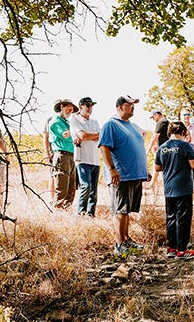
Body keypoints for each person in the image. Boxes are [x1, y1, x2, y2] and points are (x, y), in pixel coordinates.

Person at [99, 95, 150, 256]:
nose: (133, 107)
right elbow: (104, 147)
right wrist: (112, 168)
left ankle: (127, 239)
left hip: (135, 175)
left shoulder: (132, 126)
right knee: (120, 210)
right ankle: (119, 243)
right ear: (120, 107)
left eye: (134, 105)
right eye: (129, 105)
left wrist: (144, 169)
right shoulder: (111, 125)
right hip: (121, 176)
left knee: (127, 210)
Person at [154, 121, 194, 259]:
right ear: (184, 132)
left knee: (171, 218)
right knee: (183, 218)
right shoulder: (185, 146)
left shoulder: (162, 147)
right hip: (183, 187)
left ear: (169, 133)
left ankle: (171, 248)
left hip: (169, 188)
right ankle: (182, 250)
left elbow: (157, 168)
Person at [70, 96, 101, 217]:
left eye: (91, 105)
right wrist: (93, 135)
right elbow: (82, 136)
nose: (90, 108)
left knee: (94, 190)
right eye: (87, 105)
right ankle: (81, 212)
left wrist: (90, 136)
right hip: (82, 158)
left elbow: (100, 138)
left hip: (95, 159)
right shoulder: (75, 120)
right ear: (81, 106)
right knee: (85, 186)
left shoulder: (95, 122)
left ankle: (91, 214)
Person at [49, 99, 78, 209]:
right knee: (62, 188)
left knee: (71, 188)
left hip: (71, 156)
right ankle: (57, 211)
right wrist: (77, 128)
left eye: (72, 109)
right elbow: (66, 135)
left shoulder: (67, 123)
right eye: (69, 108)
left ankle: (66, 211)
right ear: (61, 106)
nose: (71, 111)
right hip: (62, 156)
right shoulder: (55, 121)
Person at [146, 111, 169, 192]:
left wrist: (148, 150)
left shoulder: (161, 122)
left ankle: (153, 185)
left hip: (163, 150)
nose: (153, 119)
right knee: (157, 166)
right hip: (164, 148)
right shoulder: (166, 122)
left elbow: (155, 136)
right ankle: (152, 184)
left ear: (157, 115)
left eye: (153, 117)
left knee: (159, 167)